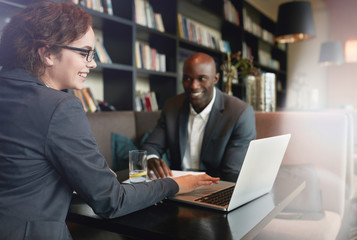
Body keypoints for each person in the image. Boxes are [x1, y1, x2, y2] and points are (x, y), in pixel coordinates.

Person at [0, 2, 219, 239]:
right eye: (85, 52)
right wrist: (174, 185)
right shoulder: (59, 107)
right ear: (48, 53)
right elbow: (112, 202)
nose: (92, 63)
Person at [142, 52, 256, 182]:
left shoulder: (239, 113)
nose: (193, 86)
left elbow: (232, 172)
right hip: (178, 187)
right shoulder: (171, 106)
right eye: (187, 78)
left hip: (215, 188)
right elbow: (151, 146)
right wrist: (151, 159)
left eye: (202, 78)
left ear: (215, 79)